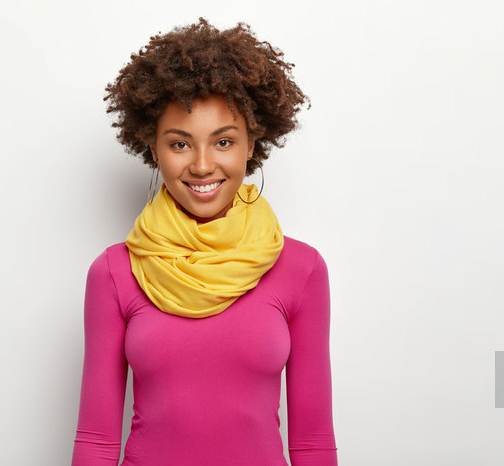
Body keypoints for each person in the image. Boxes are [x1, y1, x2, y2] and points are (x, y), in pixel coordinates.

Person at [72, 18, 337, 466]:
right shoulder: (115, 273)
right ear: (152, 147)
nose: (201, 165)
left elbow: (312, 441)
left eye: (224, 142)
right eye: (179, 144)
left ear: (251, 144)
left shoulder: (301, 269)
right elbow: (96, 440)